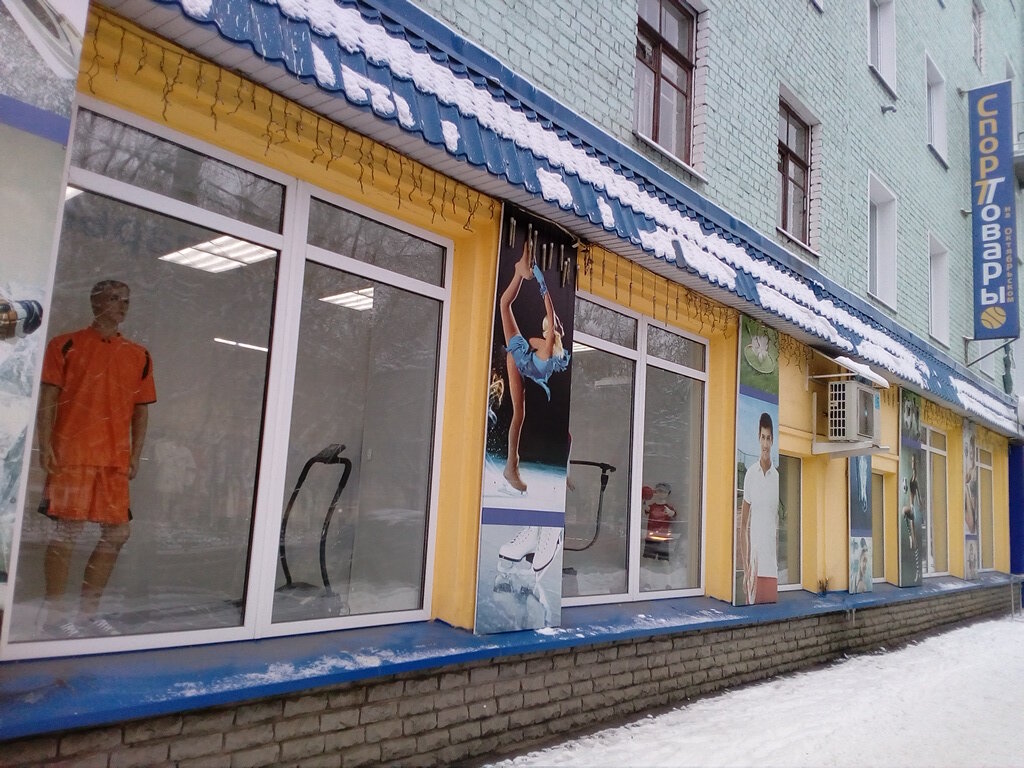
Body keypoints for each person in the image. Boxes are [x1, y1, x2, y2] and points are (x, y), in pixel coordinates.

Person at [35, 280, 156, 638]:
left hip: (113, 459)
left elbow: (141, 410)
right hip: (73, 454)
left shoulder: (138, 355)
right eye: (114, 298)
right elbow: (48, 397)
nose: (122, 305)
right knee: (68, 532)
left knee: (117, 533)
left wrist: (135, 453)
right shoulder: (66, 344)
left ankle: (88, 614)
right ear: (95, 302)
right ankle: (55, 618)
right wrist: (45, 444)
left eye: (126, 300)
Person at [498, 236, 569, 493]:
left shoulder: (554, 350)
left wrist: (539, 278)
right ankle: (512, 465)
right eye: (555, 323)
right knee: (519, 414)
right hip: (520, 360)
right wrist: (539, 279)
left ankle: (512, 464)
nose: (557, 322)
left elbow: (544, 326)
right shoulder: (550, 347)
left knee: (505, 305)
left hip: (525, 361)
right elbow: (548, 315)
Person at [738, 412, 779, 604]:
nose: (765, 443)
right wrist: (747, 569)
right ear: (758, 438)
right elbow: (743, 525)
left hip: (771, 569)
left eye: (768, 438)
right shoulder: (750, 475)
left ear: (773, 441)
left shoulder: (777, 478)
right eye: (763, 437)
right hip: (754, 571)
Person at [642, 482, 676, 561]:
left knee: (663, 559)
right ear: (656, 492)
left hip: (663, 537)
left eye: (664, 492)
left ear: (668, 493)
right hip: (651, 536)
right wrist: (644, 499)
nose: (661, 494)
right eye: (659, 491)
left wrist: (671, 512)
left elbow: (673, 514)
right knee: (649, 558)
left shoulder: (668, 508)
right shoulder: (652, 507)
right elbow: (645, 509)